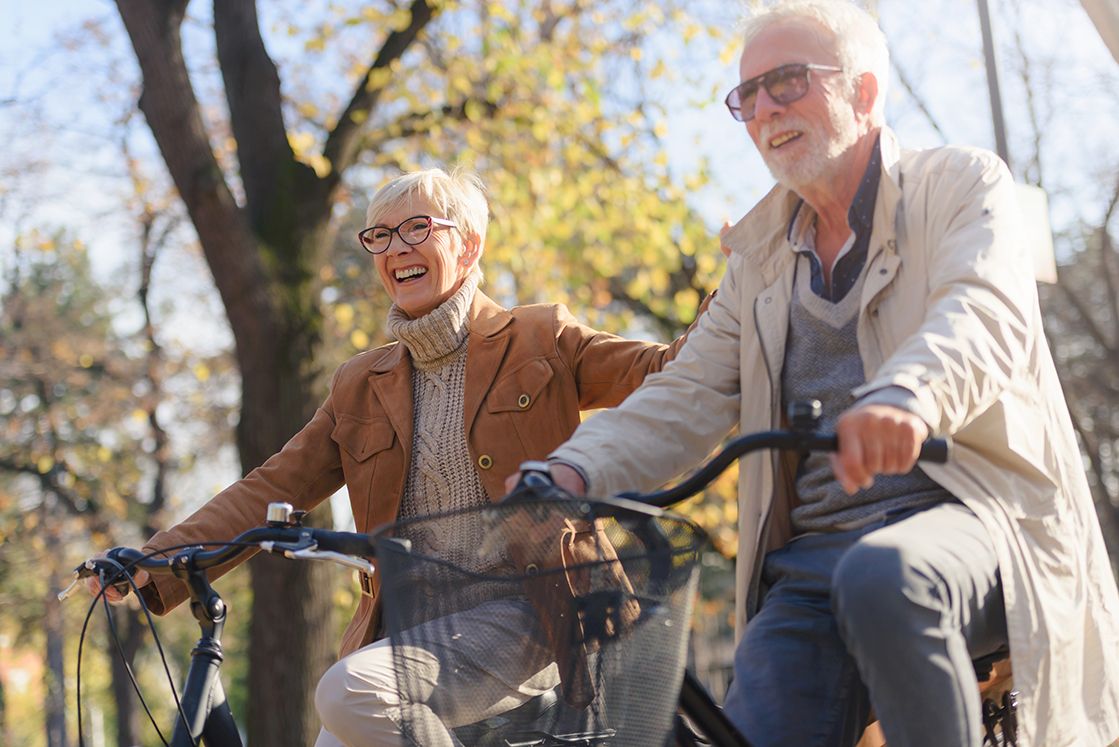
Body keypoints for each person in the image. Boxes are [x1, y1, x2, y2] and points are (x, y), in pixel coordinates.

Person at [511, 1, 1119, 745]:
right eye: (747, 95)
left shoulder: (959, 184)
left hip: (979, 520)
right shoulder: (758, 263)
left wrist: (907, 395)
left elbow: (981, 311)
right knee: (741, 722)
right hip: (812, 567)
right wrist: (572, 469)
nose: (765, 107)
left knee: (883, 578)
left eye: (788, 81)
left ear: (863, 91)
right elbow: (683, 392)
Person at [88, 167, 711, 746]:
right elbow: (271, 485)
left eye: (417, 228)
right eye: (380, 236)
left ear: (468, 245)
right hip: (408, 637)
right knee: (344, 718)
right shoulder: (360, 384)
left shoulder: (539, 337)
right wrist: (153, 560)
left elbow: (663, 370)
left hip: (535, 616)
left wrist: (735, 297)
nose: (395, 248)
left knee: (350, 693)